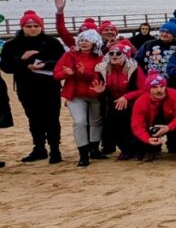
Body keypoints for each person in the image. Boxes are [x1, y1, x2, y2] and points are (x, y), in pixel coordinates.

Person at [0, 10, 65, 163]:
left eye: (36, 25)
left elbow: (63, 62)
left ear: (41, 26)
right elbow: (6, 67)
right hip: (26, 88)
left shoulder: (52, 42)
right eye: (29, 26)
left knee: (52, 118)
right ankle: (39, 148)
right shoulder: (12, 45)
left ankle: (55, 149)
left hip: (49, 86)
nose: (33, 28)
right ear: (23, 27)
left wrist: (46, 64)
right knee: (34, 119)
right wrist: (22, 60)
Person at [54, 29, 106, 167]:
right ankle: (83, 154)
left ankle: (94, 149)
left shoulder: (101, 57)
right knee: (80, 122)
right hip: (75, 94)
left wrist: (82, 73)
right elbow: (56, 74)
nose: (84, 43)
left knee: (96, 121)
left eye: (87, 40)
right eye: (81, 40)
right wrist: (68, 74)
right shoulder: (70, 55)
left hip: (95, 93)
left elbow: (99, 76)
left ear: (95, 42)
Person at [94, 40, 145, 160]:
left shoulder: (134, 67)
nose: (114, 56)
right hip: (113, 101)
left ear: (125, 56)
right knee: (114, 125)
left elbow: (144, 89)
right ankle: (125, 149)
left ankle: (138, 149)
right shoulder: (103, 68)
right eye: (111, 53)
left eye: (118, 53)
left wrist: (127, 97)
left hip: (132, 100)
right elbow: (96, 86)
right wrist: (101, 91)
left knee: (131, 124)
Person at [131, 72, 176, 163]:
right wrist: (147, 139)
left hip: (171, 122)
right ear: (148, 89)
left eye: (162, 86)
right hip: (151, 124)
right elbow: (137, 125)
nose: (159, 90)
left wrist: (169, 127)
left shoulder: (174, 93)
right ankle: (150, 150)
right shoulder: (140, 102)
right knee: (137, 140)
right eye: (155, 87)